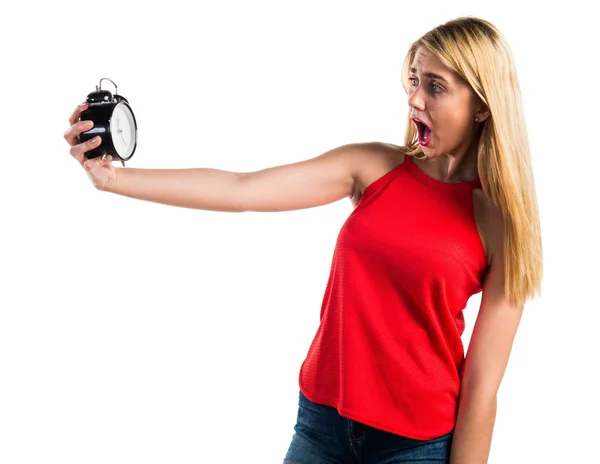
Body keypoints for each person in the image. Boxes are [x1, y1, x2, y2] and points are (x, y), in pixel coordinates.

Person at [63, 15, 542, 464]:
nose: (414, 99)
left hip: (416, 445)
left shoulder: (499, 223)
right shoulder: (373, 167)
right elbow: (241, 190)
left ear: (482, 105)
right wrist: (113, 181)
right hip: (321, 425)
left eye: (435, 87)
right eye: (414, 80)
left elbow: (481, 388)